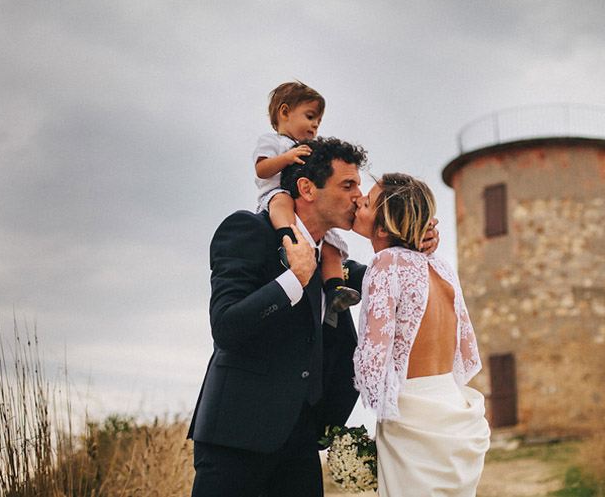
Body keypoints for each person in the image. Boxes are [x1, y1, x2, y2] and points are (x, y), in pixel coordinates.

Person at [188, 137, 373, 497]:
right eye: (347, 185)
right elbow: (226, 327)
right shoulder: (247, 231)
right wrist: (293, 281)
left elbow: (389, 273)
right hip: (236, 438)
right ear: (307, 188)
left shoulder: (334, 265)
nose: (357, 196)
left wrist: (414, 241)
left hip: (301, 442)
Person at [352, 173, 490, 497]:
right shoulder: (441, 269)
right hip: (452, 409)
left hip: (411, 418)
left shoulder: (385, 264)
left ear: (384, 228)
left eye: (368, 202)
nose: (359, 201)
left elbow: (371, 366)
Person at [253, 81, 360, 314]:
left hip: (298, 205)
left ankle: (334, 288)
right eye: (310, 117)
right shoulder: (273, 142)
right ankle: (287, 239)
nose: (314, 125)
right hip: (275, 195)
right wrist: (288, 157)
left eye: (318, 122)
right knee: (282, 200)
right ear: (284, 112)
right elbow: (262, 169)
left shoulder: (305, 146)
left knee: (332, 245)